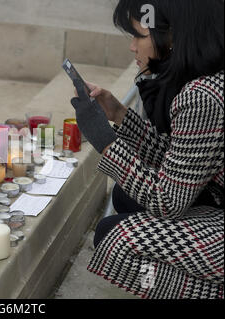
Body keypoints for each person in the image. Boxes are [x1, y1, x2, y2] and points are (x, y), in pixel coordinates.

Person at [70, 0, 223, 298]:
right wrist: (118, 114)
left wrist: (105, 141)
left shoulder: (201, 97)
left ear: (172, 35)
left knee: (115, 239)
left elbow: (168, 201)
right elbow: (177, 161)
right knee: (126, 196)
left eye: (138, 35)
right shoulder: (205, 78)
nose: (132, 47)